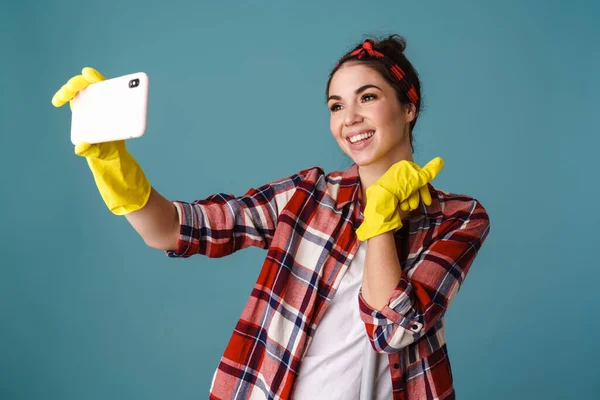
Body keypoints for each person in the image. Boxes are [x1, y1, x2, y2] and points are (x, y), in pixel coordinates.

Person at [52, 34, 490, 400]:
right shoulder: (307, 195)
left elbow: (391, 329)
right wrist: (110, 163)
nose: (350, 118)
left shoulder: (457, 218)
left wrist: (381, 218)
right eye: (336, 106)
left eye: (368, 97)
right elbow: (172, 229)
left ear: (409, 107)